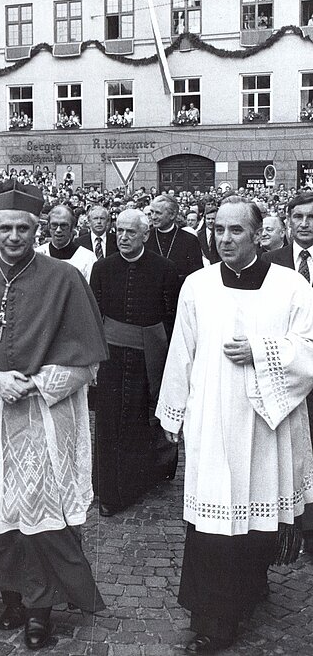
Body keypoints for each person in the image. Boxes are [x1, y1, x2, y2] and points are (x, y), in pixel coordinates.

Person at [0, 179, 108, 651]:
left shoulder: (64, 278)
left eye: (22, 228)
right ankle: (10, 596)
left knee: (42, 516)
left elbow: (85, 357)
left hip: (44, 417)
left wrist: (35, 383)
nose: (14, 236)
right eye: (5, 228)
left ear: (36, 229)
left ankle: (41, 609)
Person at [156, 197, 313, 654]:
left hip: (269, 422)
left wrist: (263, 352)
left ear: (259, 233)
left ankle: (248, 588)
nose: (224, 239)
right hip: (214, 418)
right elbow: (181, 350)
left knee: (256, 514)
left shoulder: (291, 286)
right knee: (214, 520)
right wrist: (173, 411)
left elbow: (308, 346)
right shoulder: (197, 285)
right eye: (218, 230)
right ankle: (212, 619)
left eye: (236, 231)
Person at [90, 209, 180, 516]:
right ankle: (109, 491)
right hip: (111, 358)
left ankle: (138, 482)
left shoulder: (165, 269)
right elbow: (95, 315)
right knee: (108, 422)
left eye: (131, 232)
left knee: (140, 422)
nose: (124, 237)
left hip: (148, 359)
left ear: (145, 234)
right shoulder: (102, 268)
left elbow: (171, 319)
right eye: (120, 231)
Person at [262, 192, 313, 554]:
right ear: (288, 220)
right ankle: (283, 530)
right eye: (298, 216)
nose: (305, 224)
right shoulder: (270, 262)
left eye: (312, 217)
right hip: (284, 372)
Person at [146, 195, 203, 284]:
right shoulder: (145, 237)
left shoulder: (190, 240)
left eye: (158, 213)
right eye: (152, 212)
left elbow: (196, 274)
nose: (153, 217)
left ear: (172, 215)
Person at [36, 204, 96, 282]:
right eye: (54, 225)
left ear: (72, 227)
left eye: (63, 225)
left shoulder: (87, 258)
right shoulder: (38, 254)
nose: (58, 230)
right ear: (49, 227)